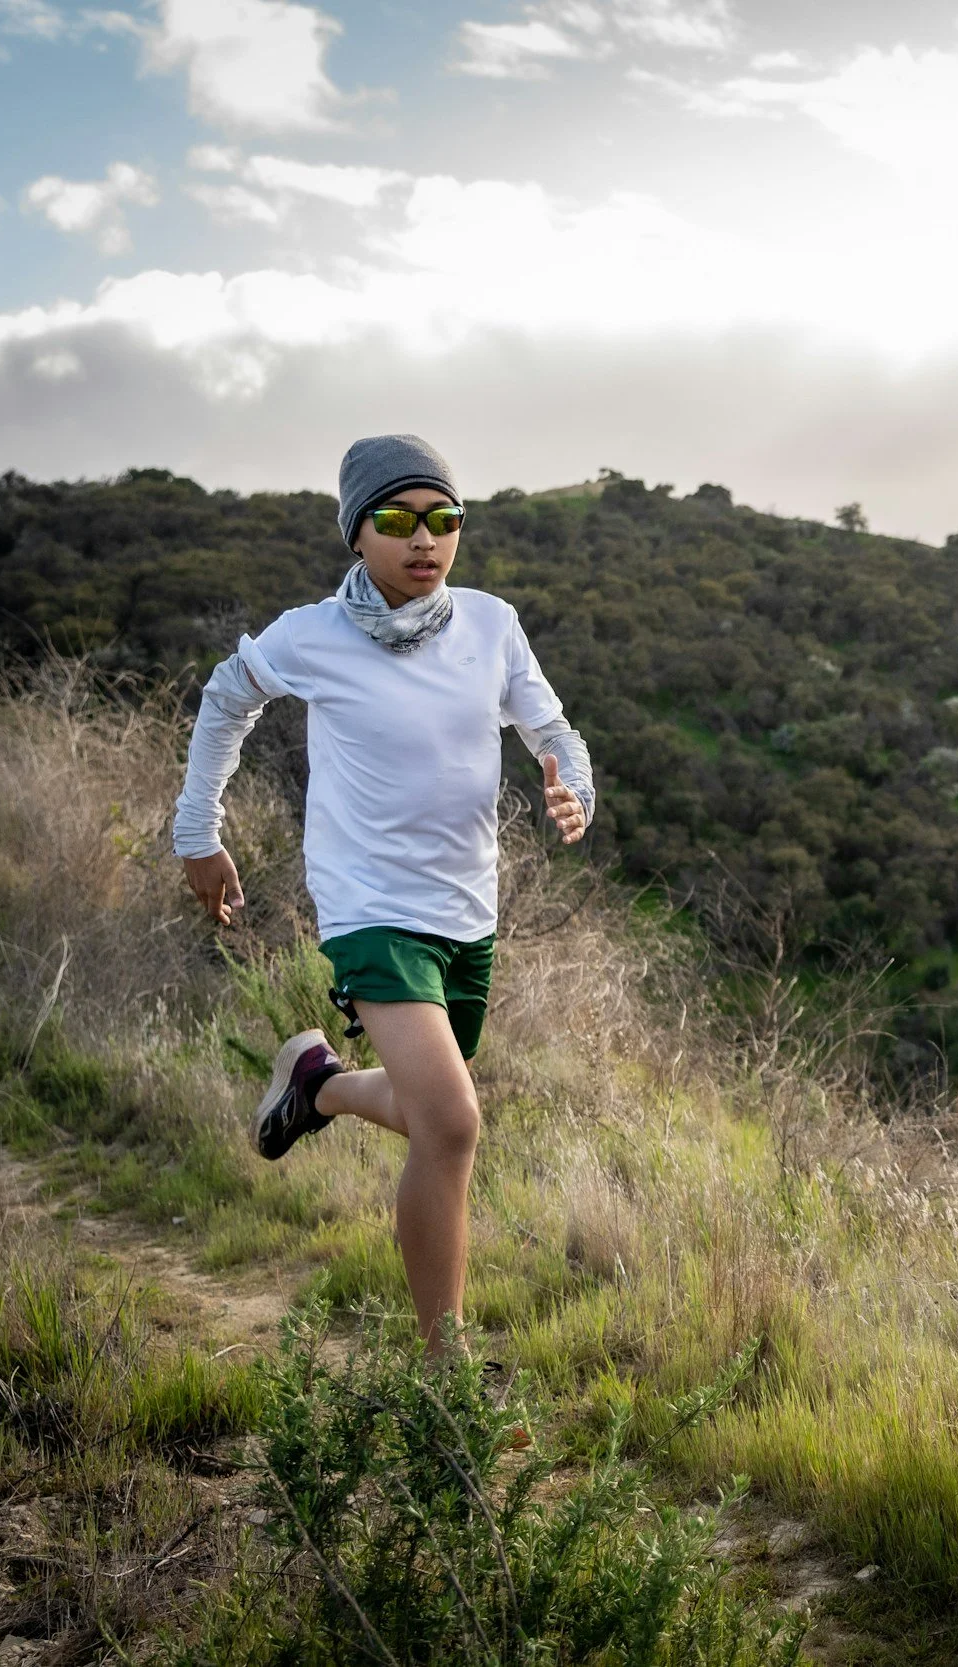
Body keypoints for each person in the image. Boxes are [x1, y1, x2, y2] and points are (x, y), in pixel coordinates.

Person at [171, 434, 593, 1350]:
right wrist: (197, 835)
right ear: (356, 533)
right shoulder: (311, 635)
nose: (424, 539)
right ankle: (447, 1374)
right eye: (397, 519)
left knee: (420, 1110)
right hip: (369, 909)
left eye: (443, 519)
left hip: (465, 910)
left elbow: (552, 727)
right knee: (452, 1121)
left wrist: (572, 785)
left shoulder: (491, 623)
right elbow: (224, 698)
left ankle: (316, 1082)